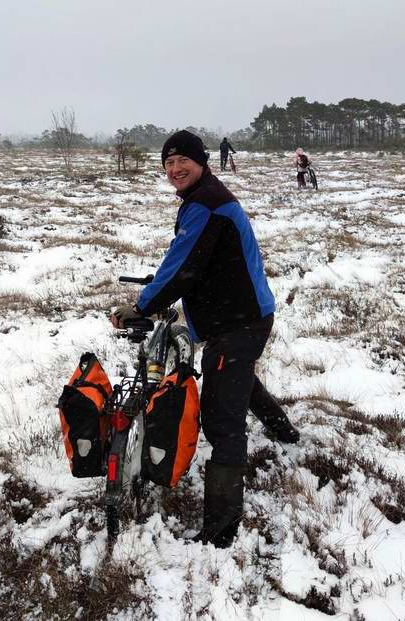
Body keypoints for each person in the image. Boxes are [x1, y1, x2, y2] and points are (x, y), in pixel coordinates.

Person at [110, 130, 299, 549]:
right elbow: (198, 263)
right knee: (236, 376)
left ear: (202, 162)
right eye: (168, 164)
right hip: (241, 317)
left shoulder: (206, 206)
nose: (175, 170)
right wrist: (174, 301)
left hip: (240, 323)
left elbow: (184, 268)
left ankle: (221, 530)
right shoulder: (206, 199)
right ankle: (286, 435)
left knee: (222, 421)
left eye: (183, 162)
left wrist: (141, 306)